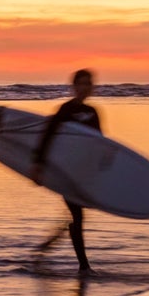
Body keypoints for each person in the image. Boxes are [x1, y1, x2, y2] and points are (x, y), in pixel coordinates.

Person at [30, 69, 100, 275]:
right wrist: (38, 166)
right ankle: (84, 266)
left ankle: (46, 246)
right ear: (74, 87)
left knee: (76, 216)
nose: (85, 88)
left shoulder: (93, 113)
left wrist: (100, 172)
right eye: (82, 83)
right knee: (77, 216)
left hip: (84, 173)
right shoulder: (65, 110)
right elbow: (47, 138)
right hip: (66, 171)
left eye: (89, 84)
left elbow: (98, 144)